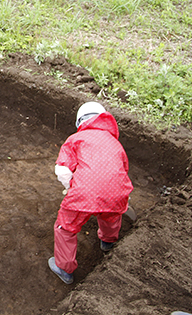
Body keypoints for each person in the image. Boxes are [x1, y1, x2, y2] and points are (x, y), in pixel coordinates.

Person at [48, 101, 134, 284]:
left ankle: (64, 268)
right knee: (111, 215)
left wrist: (70, 186)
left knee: (66, 227)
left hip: (84, 193)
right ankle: (108, 242)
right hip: (117, 194)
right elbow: (122, 171)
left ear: (80, 122)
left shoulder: (75, 139)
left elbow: (62, 170)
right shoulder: (115, 143)